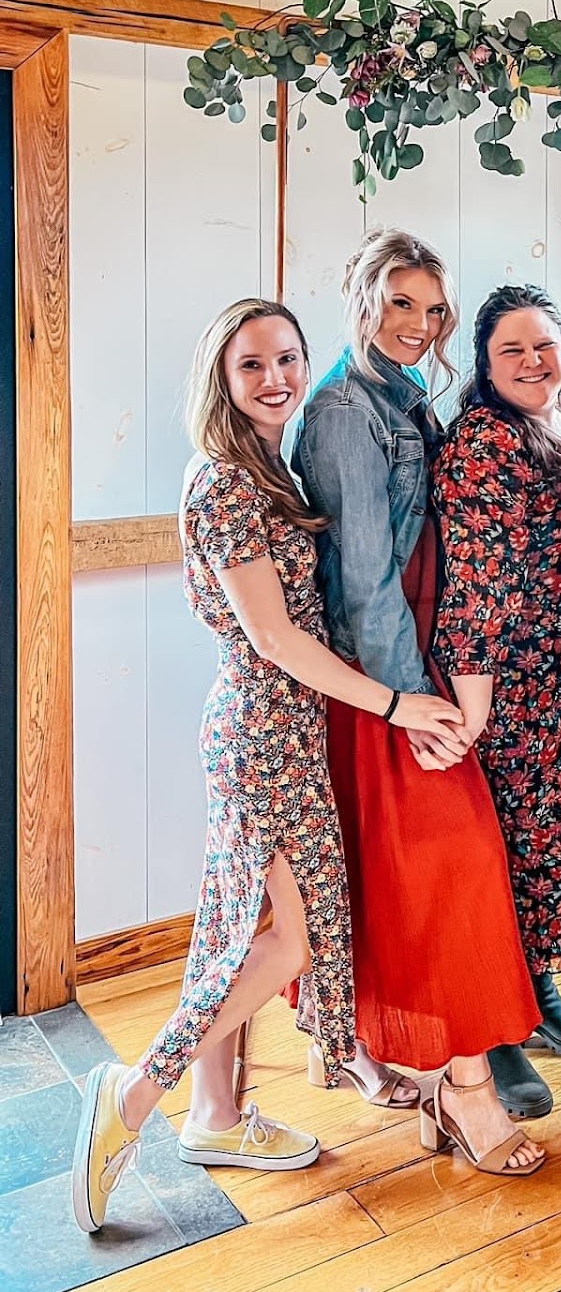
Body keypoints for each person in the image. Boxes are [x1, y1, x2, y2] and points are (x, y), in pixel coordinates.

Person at [71, 300, 467, 1233]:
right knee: (288, 943)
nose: (276, 378)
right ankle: (134, 1094)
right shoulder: (223, 484)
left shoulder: (264, 468)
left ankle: (215, 1116)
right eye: (253, 364)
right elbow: (277, 638)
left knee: (231, 927)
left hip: (277, 729)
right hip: (264, 734)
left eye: (288, 359)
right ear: (222, 376)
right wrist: (397, 703)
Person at [294, 230, 545, 1174]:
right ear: (363, 297)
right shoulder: (342, 413)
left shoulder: (403, 397)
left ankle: (410, 1065)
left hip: (415, 662)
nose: (419, 323)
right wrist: (409, 706)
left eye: (433, 309)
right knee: (454, 872)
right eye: (401, 302)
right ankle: (467, 1087)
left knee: (405, 883)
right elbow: (364, 582)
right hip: (383, 681)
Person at [431, 285, 561, 1120]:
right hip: (503, 681)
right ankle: (494, 1027)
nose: (533, 362)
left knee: (544, 843)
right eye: (512, 350)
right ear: (485, 365)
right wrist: (474, 706)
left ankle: (538, 993)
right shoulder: (484, 441)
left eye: (545, 345)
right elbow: (478, 579)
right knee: (500, 850)